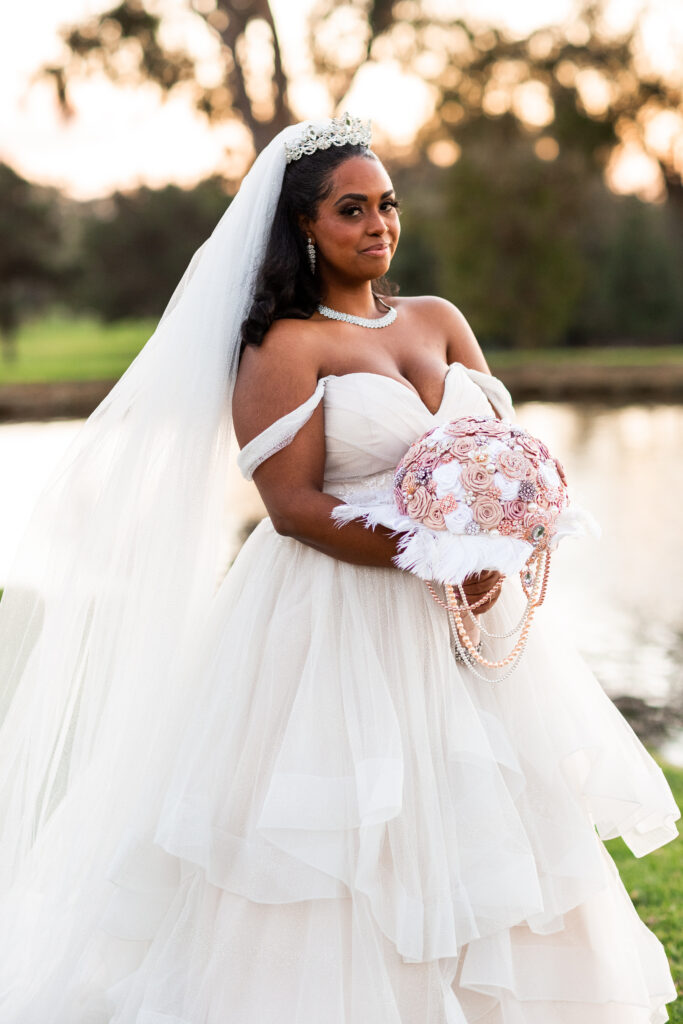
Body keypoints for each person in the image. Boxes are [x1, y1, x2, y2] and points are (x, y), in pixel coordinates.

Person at [0, 113, 679, 1023]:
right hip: (339, 626)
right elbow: (293, 506)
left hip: (477, 629)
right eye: (351, 209)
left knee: (497, 828)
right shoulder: (284, 346)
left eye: (387, 205)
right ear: (303, 227)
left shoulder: (439, 320)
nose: (378, 225)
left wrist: (502, 546)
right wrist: (438, 555)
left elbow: (506, 457)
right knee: (346, 840)